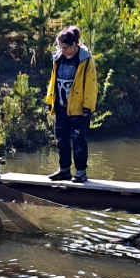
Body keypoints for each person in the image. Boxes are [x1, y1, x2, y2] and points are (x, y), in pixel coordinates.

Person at [44, 25, 97, 182]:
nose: (63, 50)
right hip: (61, 106)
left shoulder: (85, 60)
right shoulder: (58, 58)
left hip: (79, 109)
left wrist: (88, 106)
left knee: (79, 141)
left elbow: (91, 85)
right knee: (62, 140)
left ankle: (81, 172)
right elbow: (53, 80)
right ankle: (64, 170)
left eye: (65, 47)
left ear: (74, 45)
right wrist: (49, 100)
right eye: (60, 47)